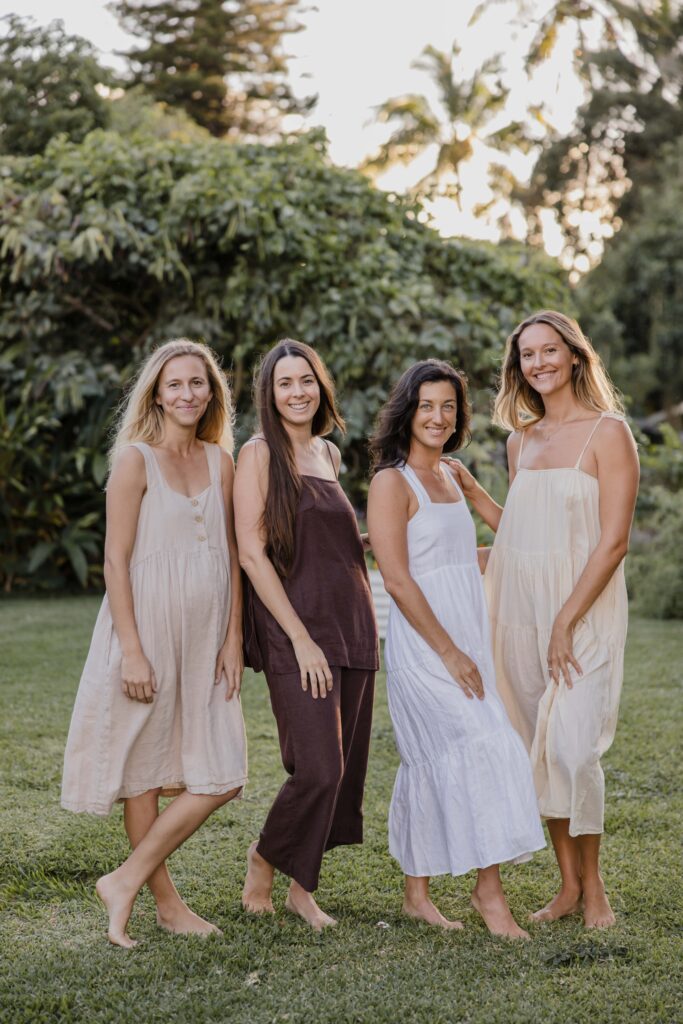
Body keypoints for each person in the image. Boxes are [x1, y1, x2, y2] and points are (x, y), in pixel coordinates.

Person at [451, 310, 639, 929]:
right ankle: (567, 888)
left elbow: (613, 543)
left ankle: (597, 889)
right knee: (540, 745)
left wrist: (565, 620)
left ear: (575, 356)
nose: (538, 363)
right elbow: (526, 536)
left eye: (549, 350)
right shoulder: (520, 440)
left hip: (582, 615)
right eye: (527, 355)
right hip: (522, 617)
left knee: (575, 749)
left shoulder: (609, 434)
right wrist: (476, 503)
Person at [61, 339, 247, 948]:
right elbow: (115, 563)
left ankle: (126, 879)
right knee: (142, 772)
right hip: (144, 631)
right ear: (157, 394)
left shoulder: (224, 463)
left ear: (211, 392)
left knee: (224, 775)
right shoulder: (134, 461)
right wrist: (133, 650)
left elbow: (237, 560)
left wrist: (233, 638)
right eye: (176, 385)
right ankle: (164, 904)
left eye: (198, 383)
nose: (188, 394)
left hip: (206, 637)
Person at [367, 359, 545, 939]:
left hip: (467, 637)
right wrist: (448, 653)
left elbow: (476, 553)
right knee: (486, 744)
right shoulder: (391, 482)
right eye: (426, 406)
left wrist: (475, 490)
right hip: (427, 649)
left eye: (448, 406)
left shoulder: (450, 474)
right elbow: (397, 577)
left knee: (429, 759)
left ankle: (417, 894)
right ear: (406, 411)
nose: (438, 417)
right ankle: (488, 893)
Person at [235, 339, 378, 932]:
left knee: (342, 769)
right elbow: (251, 550)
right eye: (285, 383)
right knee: (317, 766)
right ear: (270, 393)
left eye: (307, 381)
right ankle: (261, 867)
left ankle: (302, 890)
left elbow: (330, 542)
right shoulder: (259, 454)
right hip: (297, 628)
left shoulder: (328, 453)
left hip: (351, 622)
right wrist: (298, 638)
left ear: (321, 387)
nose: (298, 393)